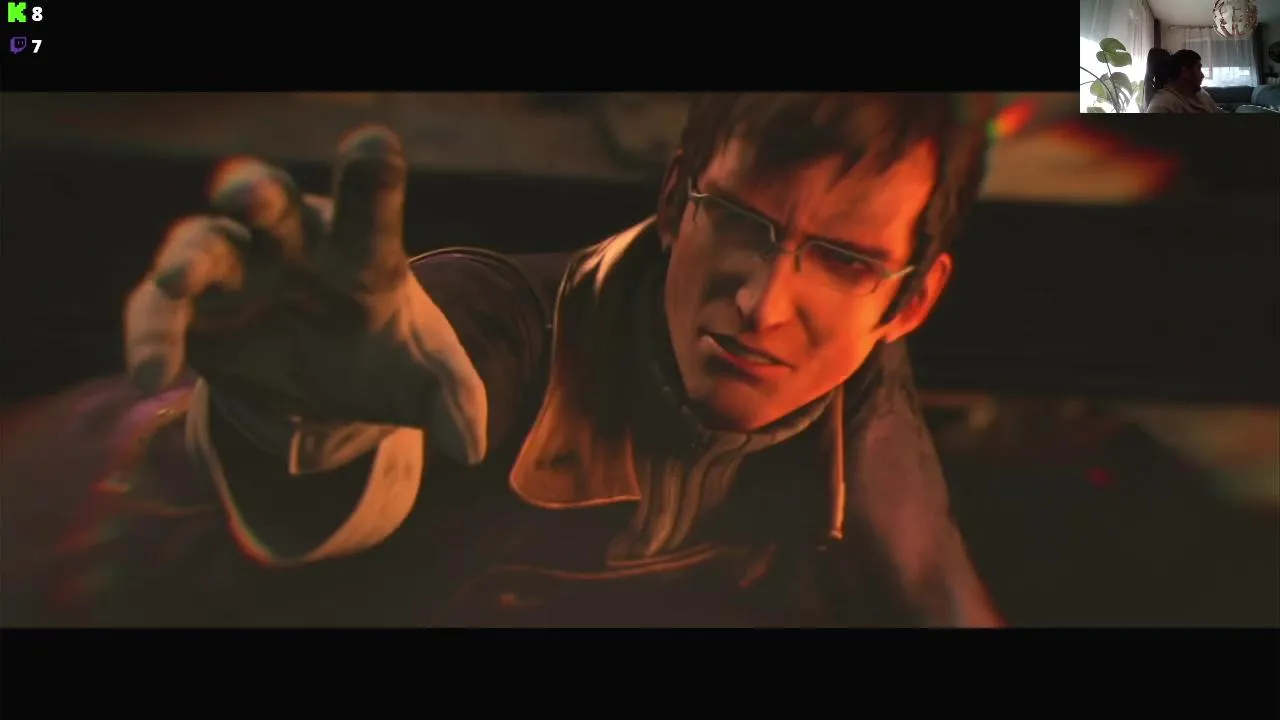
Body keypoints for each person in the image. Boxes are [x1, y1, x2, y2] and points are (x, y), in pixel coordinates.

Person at [0, 93, 1004, 627]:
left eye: (843, 259)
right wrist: (307, 425)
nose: (764, 303)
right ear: (673, 203)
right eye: (739, 221)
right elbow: (363, 443)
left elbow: (926, 583)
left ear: (908, 301)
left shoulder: (858, 380)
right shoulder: (492, 326)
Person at [1144, 49, 1225, 114]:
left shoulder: (1201, 93)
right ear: (1185, 71)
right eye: (1198, 69)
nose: (1202, 75)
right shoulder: (1162, 105)